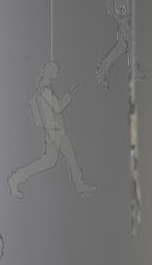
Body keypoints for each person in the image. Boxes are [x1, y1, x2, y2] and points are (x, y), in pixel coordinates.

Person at [8, 61, 94, 199]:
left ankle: (16, 178)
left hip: (53, 130)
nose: (57, 73)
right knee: (68, 157)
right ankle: (79, 184)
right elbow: (58, 107)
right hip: (55, 131)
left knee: (50, 161)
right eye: (55, 71)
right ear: (49, 72)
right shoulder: (45, 89)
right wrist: (69, 96)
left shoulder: (42, 87)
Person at [96, 0, 144, 88]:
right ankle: (133, 71)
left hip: (123, 18)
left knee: (122, 47)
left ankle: (102, 70)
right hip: (122, 19)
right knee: (130, 43)